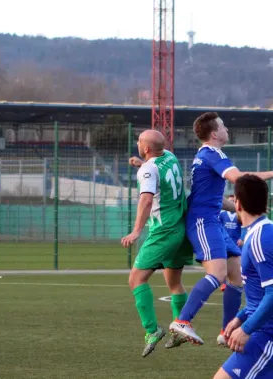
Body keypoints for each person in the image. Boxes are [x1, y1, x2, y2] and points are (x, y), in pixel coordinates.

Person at [169, 112, 273, 346]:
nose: (227, 129)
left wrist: (238, 209)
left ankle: (225, 331)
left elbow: (214, 198)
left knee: (236, 273)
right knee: (217, 274)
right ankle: (182, 321)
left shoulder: (206, 155)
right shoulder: (212, 153)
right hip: (202, 221)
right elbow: (240, 179)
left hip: (211, 219)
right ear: (215, 133)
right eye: (224, 126)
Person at [213, 174, 273, 379]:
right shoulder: (259, 232)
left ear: (237, 203)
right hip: (266, 329)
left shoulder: (261, 237)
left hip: (270, 333)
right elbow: (260, 291)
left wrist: (246, 329)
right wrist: (240, 318)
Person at [121, 129, 193, 357]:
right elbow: (156, 170)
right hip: (181, 225)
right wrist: (141, 164)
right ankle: (181, 326)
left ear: (145, 148)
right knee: (174, 283)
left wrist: (136, 231)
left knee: (135, 278)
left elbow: (146, 199)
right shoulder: (169, 157)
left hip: (163, 231)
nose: (138, 143)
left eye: (140, 141)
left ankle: (152, 330)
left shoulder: (147, 170)